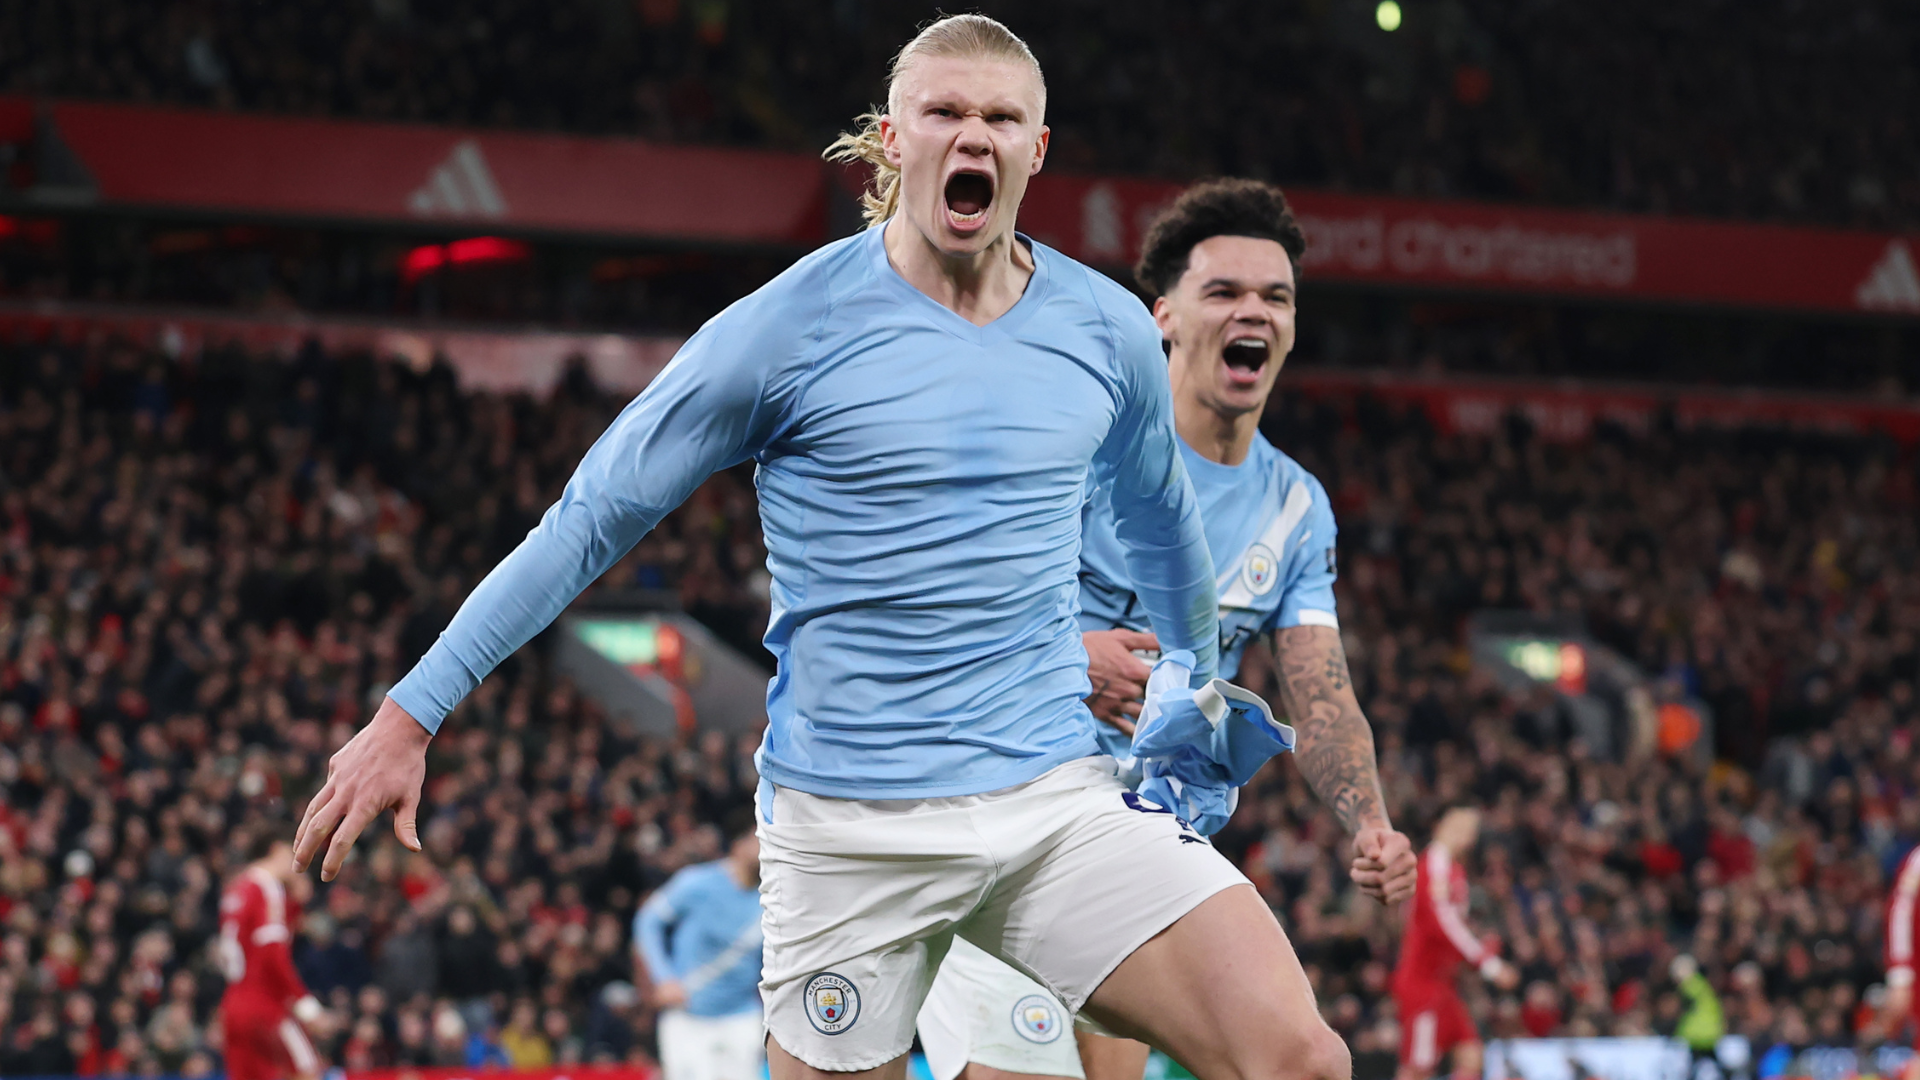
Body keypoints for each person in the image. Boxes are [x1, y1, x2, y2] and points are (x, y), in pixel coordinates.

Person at [295, 15, 1371, 1080]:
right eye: (944, 112)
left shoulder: (1108, 329)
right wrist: (410, 714)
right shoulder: (787, 328)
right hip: (851, 831)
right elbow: (587, 521)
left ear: (1037, 149)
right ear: (893, 138)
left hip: (1056, 802)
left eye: (1001, 118)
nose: (973, 135)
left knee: (1301, 1059)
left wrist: (1190, 690)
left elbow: (1164, 525)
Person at [916, 179, 1419, 1080]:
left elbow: (1322, 695)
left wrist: (1370, 822)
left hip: (1137, 836)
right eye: (1223, 291)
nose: (1253, 312)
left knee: (1304, 1061)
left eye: (1275, 297)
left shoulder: (1296, 506)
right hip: (998, 803)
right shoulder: (1078, 444)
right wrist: (1068, 657)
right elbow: (935, 600)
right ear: (1164, 317)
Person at [634, 810, 766, 1080]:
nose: (766, 846)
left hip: (740, 1016)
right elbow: (648, 921)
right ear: (738, 844)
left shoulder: (772, 897)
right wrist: (664, 978)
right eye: (759, 838)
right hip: (688, 1016)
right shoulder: (698, 883)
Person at [1392, 806, 1518, 1080]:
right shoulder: (1434, 864)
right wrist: (1488, 964)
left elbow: (1452, 925)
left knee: (1471, 1054)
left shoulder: (1453, 869)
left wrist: (1480, 947)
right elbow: (1441, 923)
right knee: (1417, 1068)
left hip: (1444, 983)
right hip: (1422, 982)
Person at [219, 828, 331, 1080]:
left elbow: (249, 944)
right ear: (277, 849)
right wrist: (306, 1006)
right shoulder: (267, 887)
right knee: (306, 1071)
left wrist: (296, 904)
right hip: (264, 1003)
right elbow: (272, 953)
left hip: (234, 1003)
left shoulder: (238, 888)